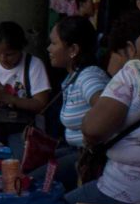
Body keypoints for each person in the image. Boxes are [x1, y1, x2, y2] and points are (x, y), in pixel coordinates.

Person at [68, 10, 140, 204]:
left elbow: (93, 129)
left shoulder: (134, 70)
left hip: (125, 193)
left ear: (130, 48)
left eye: (115, 53)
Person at [0, 21, 53, 151]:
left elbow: (41, 104)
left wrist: (9, 98)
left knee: (20, 160)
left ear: (20, 49)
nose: (3, 59)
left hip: (25, 125)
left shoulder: (34, 65)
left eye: (9, 54)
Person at [46, 14, 108, 173]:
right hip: (73, 150)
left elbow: (106, 111)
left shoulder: (89, 77)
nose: (49, 49)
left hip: (87, 157)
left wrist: (90, 140)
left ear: (73, 49)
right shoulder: (74, 76)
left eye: (53, 43)